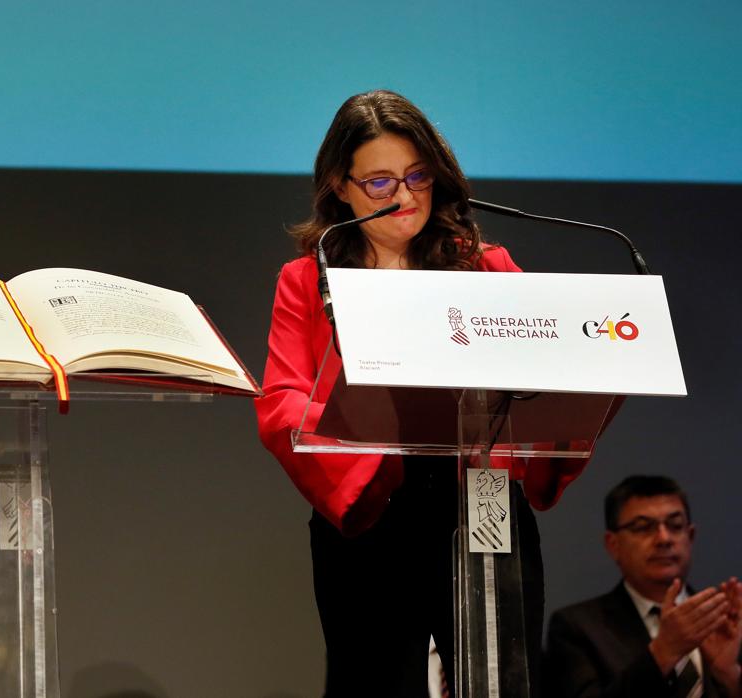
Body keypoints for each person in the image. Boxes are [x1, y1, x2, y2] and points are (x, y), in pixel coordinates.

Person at [254, 89, 583, 696]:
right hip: (372, 509)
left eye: (417, 175)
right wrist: (358, 437)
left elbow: (546, 375)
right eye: (380, 182)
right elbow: (281, 404)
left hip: (480, 509)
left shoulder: (486, 268)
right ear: (340, 186)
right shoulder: (307, 280)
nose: (404, 196)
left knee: (503, 682)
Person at [544, 475, 741, 698]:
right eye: (643, 528)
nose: (664, 538)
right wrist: (663, 652)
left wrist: (728, 676)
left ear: (691, 536)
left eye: (675, 525)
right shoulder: (577, 628)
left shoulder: (726, 621)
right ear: (613, 544)